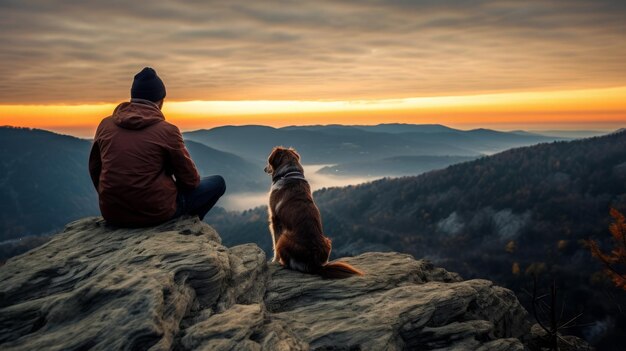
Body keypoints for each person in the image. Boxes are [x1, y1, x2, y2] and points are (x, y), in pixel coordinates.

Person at [89, 67, 226, 227]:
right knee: (218, 182)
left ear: (133, 97)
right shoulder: (167, 130)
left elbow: (95, 169)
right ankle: (187, 226)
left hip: (112, 213)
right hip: (156, 213)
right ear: (161, 100)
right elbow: (190, 181)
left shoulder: (105, 125)